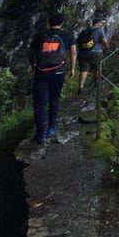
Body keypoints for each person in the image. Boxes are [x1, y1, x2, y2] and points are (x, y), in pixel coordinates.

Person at [28, 12, 77, 143]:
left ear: (48, 23)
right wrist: (72, 69)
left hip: (41, 73)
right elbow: (73, 52)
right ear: (62, 24)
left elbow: (31, 53)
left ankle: (40, 135)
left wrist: (34, 67)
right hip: (59, 73)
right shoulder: (68, 36)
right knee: (54, 99)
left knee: (40, 103)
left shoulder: (40, 36)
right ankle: (51, 128)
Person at [76, 16, 109, 93]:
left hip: (83, 52)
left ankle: (81, 87)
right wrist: (107, 47)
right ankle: (97, 84)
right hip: (96, 52)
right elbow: (104, 42)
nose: (102, 24)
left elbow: (78, 41)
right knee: (97, 68)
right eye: (101, 23)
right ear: (98, 23)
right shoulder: (99, 31)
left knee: (84, 69)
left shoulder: (85, 31)